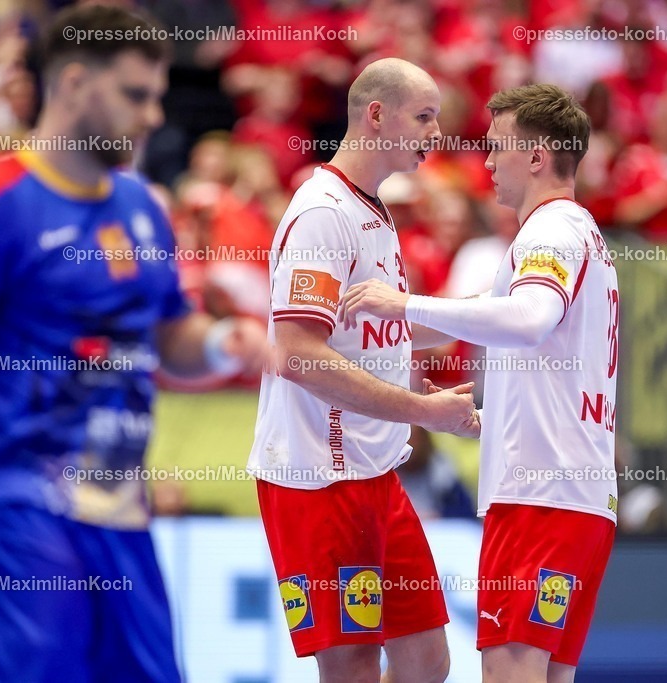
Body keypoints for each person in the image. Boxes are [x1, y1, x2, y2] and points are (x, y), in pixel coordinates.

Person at [0, 6, 264, 682]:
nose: (153, 116)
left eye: (156, 96)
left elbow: (167, 334)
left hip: (121, 509)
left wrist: (222, 344)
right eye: (135, 95)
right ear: (70, 84)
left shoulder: (142, 207)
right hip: (15, 508)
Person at [341, 83, 618, 683]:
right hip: (577, 497)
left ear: (538, 157)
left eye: (497, 148)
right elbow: (512, 326)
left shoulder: (550, 232)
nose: (486, 163)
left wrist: (406, 304)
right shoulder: (582, 232)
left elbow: (527, 319)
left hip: (539, 499)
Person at [247, 58, 477, 683]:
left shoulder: (372, 209)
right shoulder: (324, 212)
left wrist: (497, 321)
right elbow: (297, 352)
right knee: (351, 666)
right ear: (376, 115)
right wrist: (424, 411)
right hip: (319, 475)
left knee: (427, 658)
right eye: (424, 117)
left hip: (375, 473)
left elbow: (383, 327)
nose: (436, 134)